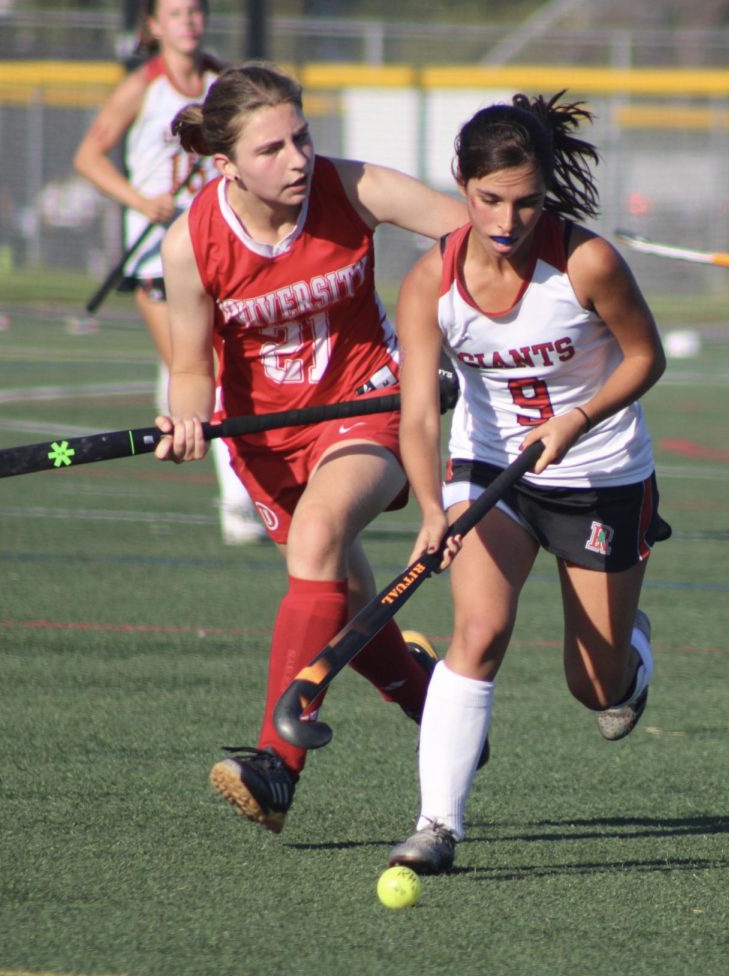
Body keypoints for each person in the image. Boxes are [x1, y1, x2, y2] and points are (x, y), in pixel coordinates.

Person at [152, 64, 470, 835]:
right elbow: (193, 367)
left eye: (302, 137)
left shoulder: (351, 187)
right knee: (342, 597)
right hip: (266, 442)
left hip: (370, 403)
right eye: (272, 149)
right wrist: (185, 420)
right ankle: (432, 704)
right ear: (225, 164)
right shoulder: (191, 243)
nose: (297, 159)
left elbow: (470, 228)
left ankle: (275, 765)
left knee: (320, 536)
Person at [387, 92, 669, 875]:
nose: (507, 222)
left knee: (596, 689)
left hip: (600, 473)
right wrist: (431, 508)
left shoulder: (587, 263)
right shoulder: (428, 284)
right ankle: (436, 825)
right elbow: (417, 417)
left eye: (526, 203)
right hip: (490, 469)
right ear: (460, 183)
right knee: (478, 632)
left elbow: (647, 358)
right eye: (488, 201)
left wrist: (575, 418)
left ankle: (632, 658)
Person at [74, 0, 265, 545]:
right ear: (154, 27)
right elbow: (89, 156)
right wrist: (139, 198)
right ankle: (237, 507)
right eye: (177, 14)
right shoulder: (143, 87)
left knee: (219, 362)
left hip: (220, 249)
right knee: (210, 369)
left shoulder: (222, 84)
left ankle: (175, 399)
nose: (190, 21)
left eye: (197, 11)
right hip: (158, 254)